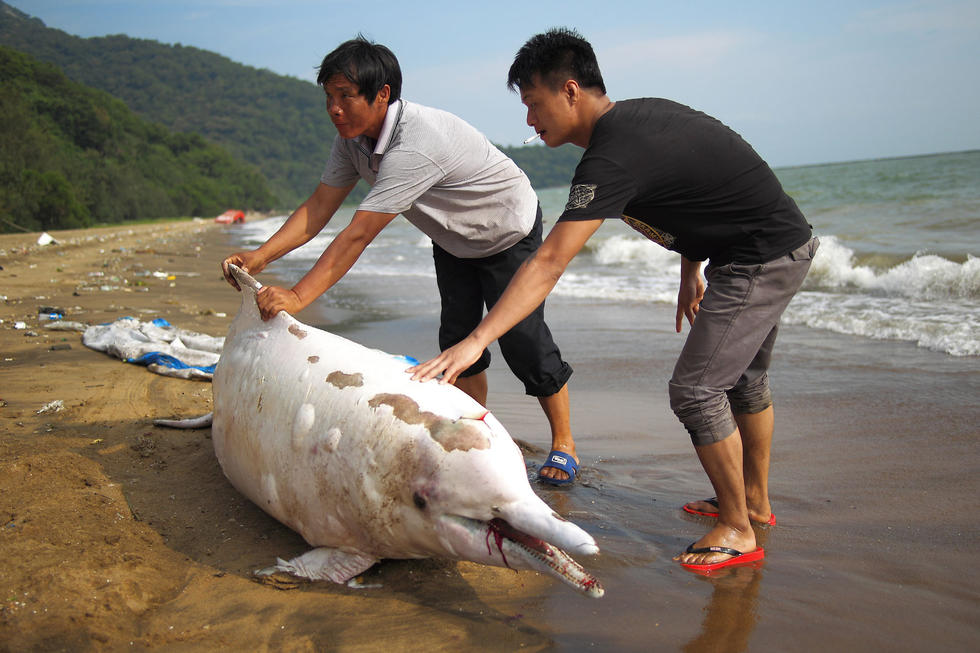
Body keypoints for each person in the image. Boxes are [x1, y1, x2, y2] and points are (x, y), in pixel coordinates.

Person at [409, 27, 818, 571]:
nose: (530, 120)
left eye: (534, 104)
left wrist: (477, 339)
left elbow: (549, 261)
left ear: (570, 91)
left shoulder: (612, 156)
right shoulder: (637, 125)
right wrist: (689, 268)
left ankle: (739, 529)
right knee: (743, 381)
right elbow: (701, 192)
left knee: (696, 391)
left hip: (759, 258)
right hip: (766, 246)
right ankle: (754, 504)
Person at [221, 37, 579, 484]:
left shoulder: (415, 142)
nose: (334, 108)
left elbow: (358, 234)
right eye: (329, 97)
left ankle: (564, 443)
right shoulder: (352, 141)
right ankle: (478, 432)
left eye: (346, 97)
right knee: (457, 338)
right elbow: (318, 209)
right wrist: (260, 256)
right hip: (452, 238)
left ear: (382, 94)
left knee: (524, 342)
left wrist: (297, 294)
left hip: (507, 228)